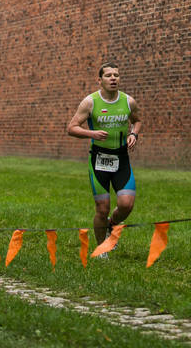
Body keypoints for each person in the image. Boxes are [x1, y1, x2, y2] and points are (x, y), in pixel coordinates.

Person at [67, 62, 141, 249]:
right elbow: (71, 128)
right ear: (99, 80)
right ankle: (102, 248)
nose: (113, 78)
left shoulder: (128, 101)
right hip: (99, 159)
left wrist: (133, 133)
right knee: (102, 208)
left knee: (126, 204)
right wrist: (92, 134)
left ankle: (111, 225)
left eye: (116, 75)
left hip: (121, 158)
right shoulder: (90, 102)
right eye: (108, 75)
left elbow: (137, 120)